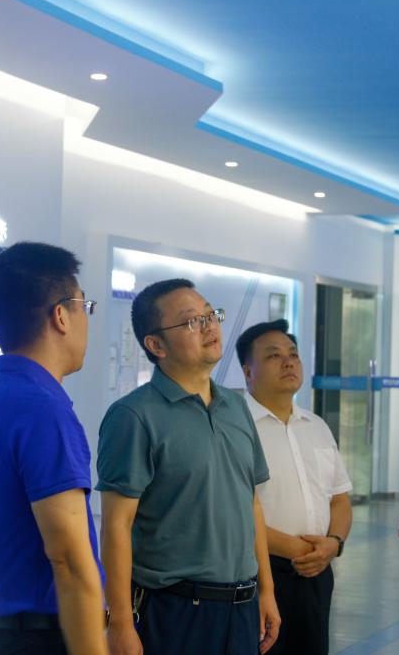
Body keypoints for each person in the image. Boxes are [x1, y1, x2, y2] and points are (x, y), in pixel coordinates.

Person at [98, 279, 281, 655]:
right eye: (192, 321)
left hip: (242, 608)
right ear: (156, 345)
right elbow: (117, 524)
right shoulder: (133, 416)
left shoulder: (236, 406)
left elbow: (251, 504)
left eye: (210, 315)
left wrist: (266, 590)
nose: (209, 326)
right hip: (176, 611)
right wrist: (120, 623)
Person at [0, 242, 107, 655]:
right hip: (44, 640)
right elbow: (69, 561)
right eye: (85, 306)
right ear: (61, 315)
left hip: (10, 637)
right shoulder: (42, 409)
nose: (86, 320)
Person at [236, 319, 352, 655]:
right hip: (260, 573)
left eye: (293, 354)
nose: (288, 362)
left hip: (318, 572)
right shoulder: (236, 428)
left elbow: (339, 500)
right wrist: (298, 550)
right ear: (247, 371)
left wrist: (333, 543)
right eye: (273, 356)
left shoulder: (316, 426)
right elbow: (233, 512)